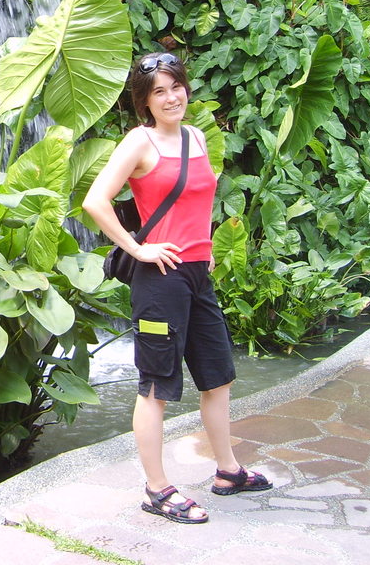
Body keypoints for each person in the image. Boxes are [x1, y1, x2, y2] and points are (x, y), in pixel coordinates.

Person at [82, 52, 272, 524]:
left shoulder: (196, 137)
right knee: (156, 386)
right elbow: (95, 201)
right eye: (159, 92)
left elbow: (197, 201)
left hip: (196, 273)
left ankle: (227, 471)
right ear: (145, 102)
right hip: (160, 279)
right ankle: (157, 490)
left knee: (218, 376)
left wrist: (203, 249)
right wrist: (138, 248)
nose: (171, 98)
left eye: (176, 87)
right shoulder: (139, 141)